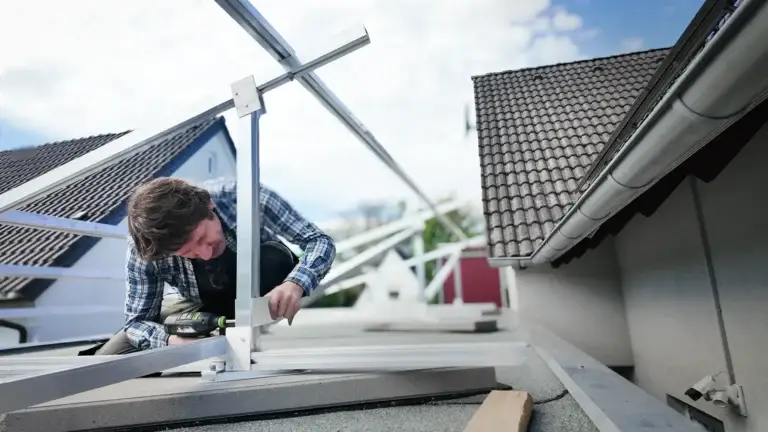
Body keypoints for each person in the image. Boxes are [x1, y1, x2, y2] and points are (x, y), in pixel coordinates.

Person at [80, 176, 336, 355]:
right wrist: (172, 341)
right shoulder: (145, 249)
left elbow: (319, 241)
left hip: (264, 285)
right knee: (109, 359)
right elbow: (136, 322)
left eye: (203, 238)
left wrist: (295, 284)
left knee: (274, 260)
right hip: (200, 306)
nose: (204, 254)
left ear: (209, 206)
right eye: (187, 252)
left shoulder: (245, 197)